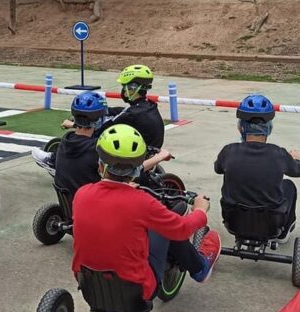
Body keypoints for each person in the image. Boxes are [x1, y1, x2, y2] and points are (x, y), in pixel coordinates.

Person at [71, 124, 221, 301]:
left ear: (101, 164)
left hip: (87, 281)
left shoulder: (82, 194)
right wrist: (200, 210)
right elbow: (181, 228)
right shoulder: (143, 203)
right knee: (166, 229)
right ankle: (200, 268)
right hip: (136, 289)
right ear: (136, 168)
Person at [34, 92, 172, 199]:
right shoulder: (99, 150)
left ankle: (50, 161)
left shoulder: (65, 140)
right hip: (96, 206)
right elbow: (134, 170)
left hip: (71, 206)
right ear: (99, 119)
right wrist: (159, 157)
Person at [214, 94, 300, 243]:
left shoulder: (228, 151)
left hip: (233, 220)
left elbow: (218, 168)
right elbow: (298, 172)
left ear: (240, 127)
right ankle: (282, 234)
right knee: (288, 186)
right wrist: (297, 159)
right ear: (269, 128)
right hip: (270, 222)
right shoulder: (279, 154)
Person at [64, 65, 164, 150]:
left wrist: (75, 124)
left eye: (124, 87)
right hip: (152, 149)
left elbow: (103, 128)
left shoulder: (130, 114)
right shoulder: (149, 105)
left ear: (132, 88)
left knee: (96, 138)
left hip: (139, 155)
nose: (123, 91)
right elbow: (121, 111)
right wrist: (105, 110)